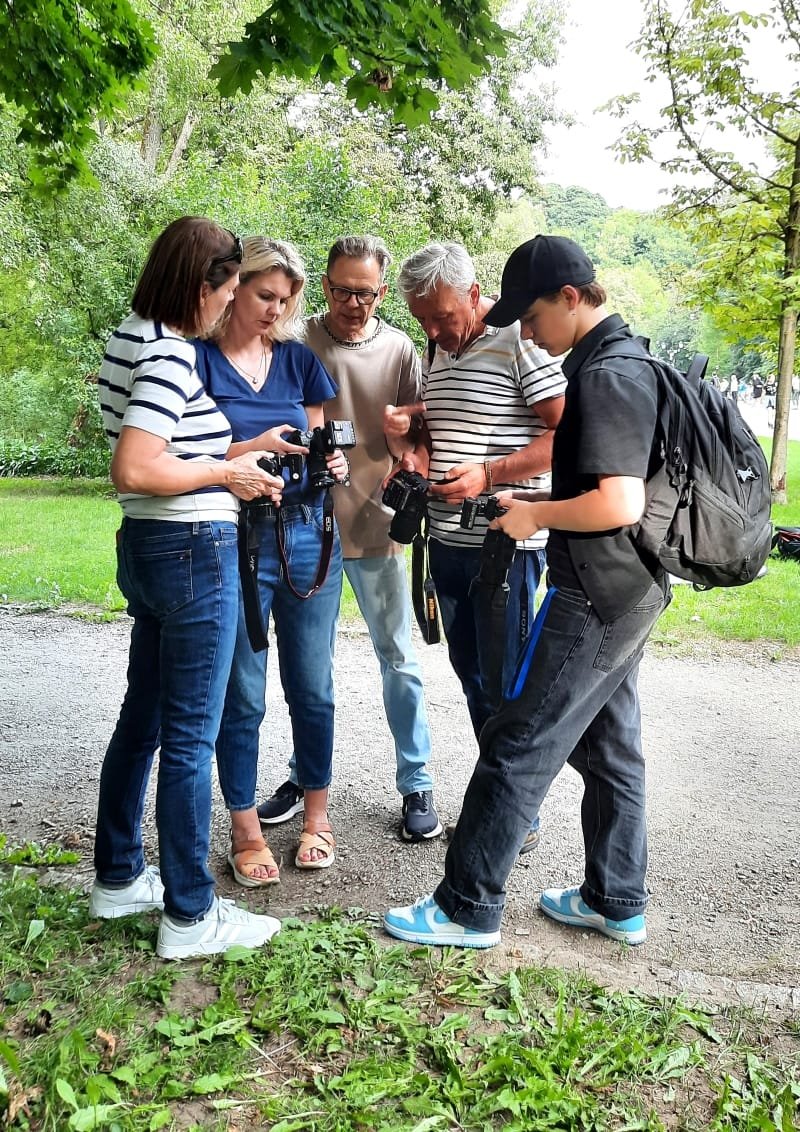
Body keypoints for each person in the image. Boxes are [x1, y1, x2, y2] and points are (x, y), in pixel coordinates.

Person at [383, 234, 672, 949]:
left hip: (598, 582)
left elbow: (619, 503)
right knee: (612, 747)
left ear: (570, 300)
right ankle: (616, 897)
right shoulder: (615, 361)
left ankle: (466, 905)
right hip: (626, 584)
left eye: (535, 316)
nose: (530, 333)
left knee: (521, 734)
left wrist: (531, 509)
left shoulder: (604, 374)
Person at [90, 216, 283, 960]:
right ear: (202, 283)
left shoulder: (130, 336)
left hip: (148, 547)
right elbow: (137, 467)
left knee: (144, 717)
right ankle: (191, 916)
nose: (227, 304)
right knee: (189, 740)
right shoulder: (172, 353)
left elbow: (166, 446)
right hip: (194, 550)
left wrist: (244, 449)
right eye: (229, 288)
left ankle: (117, 878)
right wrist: (227, 474)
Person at [256, 234, 441, 842]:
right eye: (341, 291)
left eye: (364, 293)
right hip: (302, 525)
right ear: (325, 285)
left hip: (374, 526)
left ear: (382, 292)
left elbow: (421, 432)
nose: (352, 304)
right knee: (309, 668)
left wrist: (405, 448)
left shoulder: (399, 349)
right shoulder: (294, 336)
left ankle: (416, 782)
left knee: (399, 660)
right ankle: (303, 776)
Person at [385, 242, 565, 852]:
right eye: (421, 318)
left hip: (506, 544)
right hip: (447, 541)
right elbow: (449, 423)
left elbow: (570, 436)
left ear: (473, 291)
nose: (433, 329)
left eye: (442, 315)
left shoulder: (521, 338)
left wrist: (488, 475)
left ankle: (515, 815)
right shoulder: (440, 345)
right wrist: (414, 449)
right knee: (473, 681)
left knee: (507, 685)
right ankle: (504, 803)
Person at [195, 237, 348, 876]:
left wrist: (329, 460)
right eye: (264, 295)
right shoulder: (197, 361)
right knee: (244, 693)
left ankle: (317, 817)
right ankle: (245, 826)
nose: (273, 310)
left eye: (284, 301)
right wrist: (243, 449)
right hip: (234, 538)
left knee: (312, 688)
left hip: (309, 533)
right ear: (236, 286)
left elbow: (315, 438)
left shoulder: (299, 360)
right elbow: (178, 455)